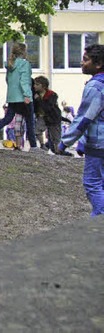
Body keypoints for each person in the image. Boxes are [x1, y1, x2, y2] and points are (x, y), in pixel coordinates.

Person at [58, 44, 104, 216]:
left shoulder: (94, 87)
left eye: (85, 60)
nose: (81, 63)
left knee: (92, 183)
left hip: (98, 144)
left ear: (98, 64)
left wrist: (64, 142)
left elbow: (85, 118)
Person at [0, 42, 40, 152]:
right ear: (24, 52)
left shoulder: (10, 65)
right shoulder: (25, 64)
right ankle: (33, 146)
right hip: (23, 97)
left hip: (12, 97)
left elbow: (7, 80)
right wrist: (27, 95)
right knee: (30, 121)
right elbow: (25, 81)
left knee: (7, 119)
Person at [33, 75, 64, 154]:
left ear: (43, 86)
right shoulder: (35, 94)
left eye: (37, 84)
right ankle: (42, 145)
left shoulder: (52, 95)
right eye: (34, 84)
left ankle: (58, 151)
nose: (34, 86)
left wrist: (39, 100)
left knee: (55, 136)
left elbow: (48, 107)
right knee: (37, 130)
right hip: (42, 116)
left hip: (53, 118)